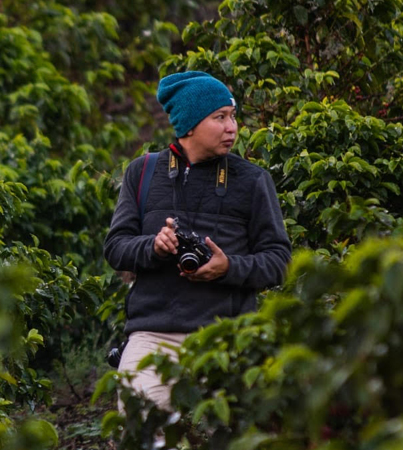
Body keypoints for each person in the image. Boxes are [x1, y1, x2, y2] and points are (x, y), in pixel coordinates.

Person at [104, 71, 292, 415]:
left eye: (232, 116)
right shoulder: (142, 172)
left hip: (228, 337)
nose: (231, 127)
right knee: (142, 431)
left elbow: (279, 261)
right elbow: (115, 247)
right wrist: (153, 247)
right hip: (151, 336)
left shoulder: (252, 180)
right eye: (219, 117)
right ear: (189, 125)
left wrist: (228, 267)